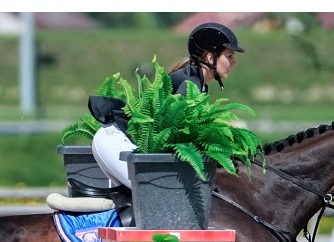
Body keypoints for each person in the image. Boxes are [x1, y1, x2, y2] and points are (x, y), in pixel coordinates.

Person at [90, 22, 244, 189]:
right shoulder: (190, 84)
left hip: (121, 143)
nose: (234, 62)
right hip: (117, 142)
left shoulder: (199, 84)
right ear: (209, 57)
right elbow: (181, 132)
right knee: (163, 192)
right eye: (229, 56)